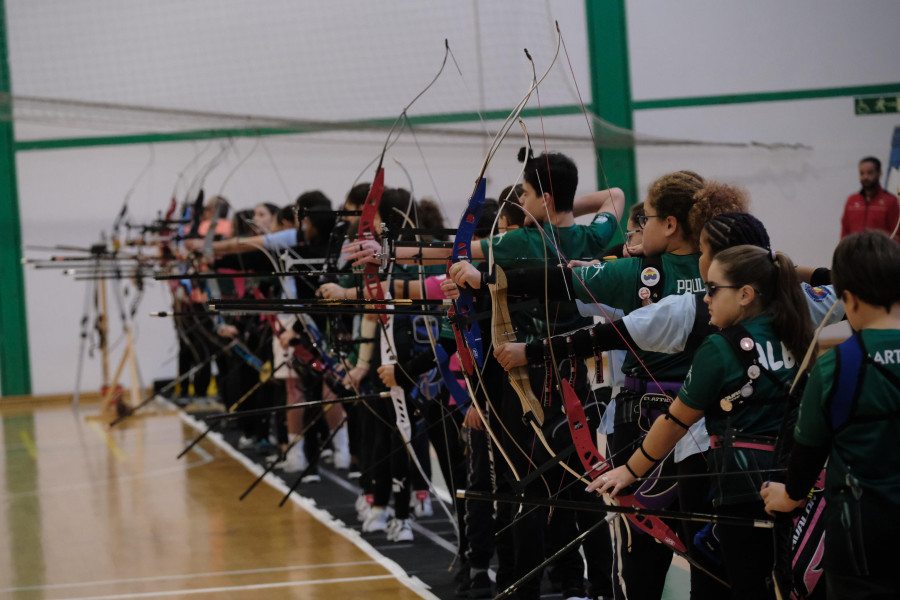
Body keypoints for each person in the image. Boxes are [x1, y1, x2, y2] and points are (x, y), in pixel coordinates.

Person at [591, 244, 814, 600]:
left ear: (744, 294)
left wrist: (629, 472)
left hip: (742, 492)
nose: (704, 298)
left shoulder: (719, 348)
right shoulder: (799, 330)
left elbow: (676, 419)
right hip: (798, 485)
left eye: (711, 289)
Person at [761, 231, 900, 599]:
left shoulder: (837, 366)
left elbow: (807, 454)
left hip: (860, 539)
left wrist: (789, 495)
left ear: (849, 300)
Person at [840, 156, 899, 242]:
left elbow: (897, 235)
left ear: (879, 173)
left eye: (870, 173)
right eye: (862, 173)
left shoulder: (890, 201)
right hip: (855, 253)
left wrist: (881, 236)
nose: (865, 177)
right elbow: (845, 233)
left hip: (880, 253)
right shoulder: (852, 201)